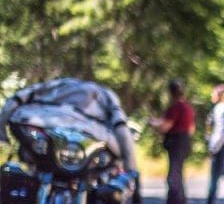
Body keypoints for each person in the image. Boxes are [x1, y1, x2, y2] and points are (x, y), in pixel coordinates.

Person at [0, 77, 140, 180]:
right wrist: (130, 166)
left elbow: (15, 100)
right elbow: (121, 127)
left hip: (42, 133)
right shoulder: (104, 93)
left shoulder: (57, 85)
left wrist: (3, 134)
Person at [148, 78, 195, 204]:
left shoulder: (175, 108)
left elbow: (165, 126)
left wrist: (153, 124)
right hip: (184, 143)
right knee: (175, 179)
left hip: (176, 144)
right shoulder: (188, 108)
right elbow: (191, 129)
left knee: (174, 180)